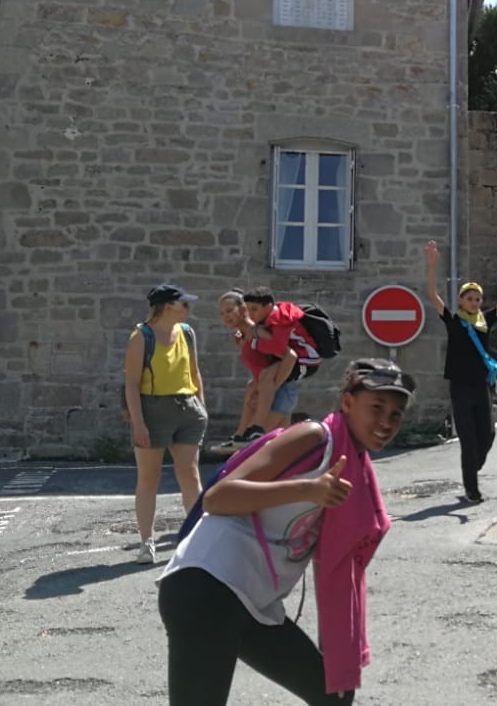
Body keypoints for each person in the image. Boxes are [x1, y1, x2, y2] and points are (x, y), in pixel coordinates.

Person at [158, 358, 414, 706]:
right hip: (206, 588)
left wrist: (338, 648)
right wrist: (307, 489)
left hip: (252, 602)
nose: (386, 421)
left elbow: (338, 564)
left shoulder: (356, 468)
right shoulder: (314, 437)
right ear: (348, 402)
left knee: (333, 694)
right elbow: (217, 498)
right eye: (377, 407)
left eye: (396, 414)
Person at [424, 239, 497, 503]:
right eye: (469, 298)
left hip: (481, 385)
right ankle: (472, 488)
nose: (474, 302)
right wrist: (432, 264)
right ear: (461, 301)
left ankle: (473, 466)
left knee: (488, 435)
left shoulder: (485, 321)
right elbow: (433, 296)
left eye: (477, 299)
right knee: (468, 439)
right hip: (459, 385)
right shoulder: (453, 320)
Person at [123, 284, 208, 565]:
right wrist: (138, 423)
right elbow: (131, 385)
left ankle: (197, 538)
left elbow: (194, 372)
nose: (188, 308)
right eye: (184, 303)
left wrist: (201, 407)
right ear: (167, 306)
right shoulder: (141, 337)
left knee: (190, 474)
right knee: (150, 478)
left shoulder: (187, 333)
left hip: (188, 409)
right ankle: (146, 542)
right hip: (153, 410)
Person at [234, 287, 322, 442]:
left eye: (254, 309)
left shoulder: (281, 318)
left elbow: (278, 348)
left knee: (266, 376)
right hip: (292, 358)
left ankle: (257, 426)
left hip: (307, 360)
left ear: (268, 307)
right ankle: (240, 432)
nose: (251, 314)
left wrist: (254, 342)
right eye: (249, 310)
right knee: (252, 386)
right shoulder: (267, 317)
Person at [217, 291, 301, 452]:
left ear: (243, 310)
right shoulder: (242, 335)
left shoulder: (257, 332)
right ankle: (238, 434)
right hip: (270, 394)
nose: (225, 316)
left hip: (280, 392)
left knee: (256, 450)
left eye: (229, 311)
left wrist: (270, 388)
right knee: (276, 452)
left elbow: (290, 356)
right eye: (221, 314)